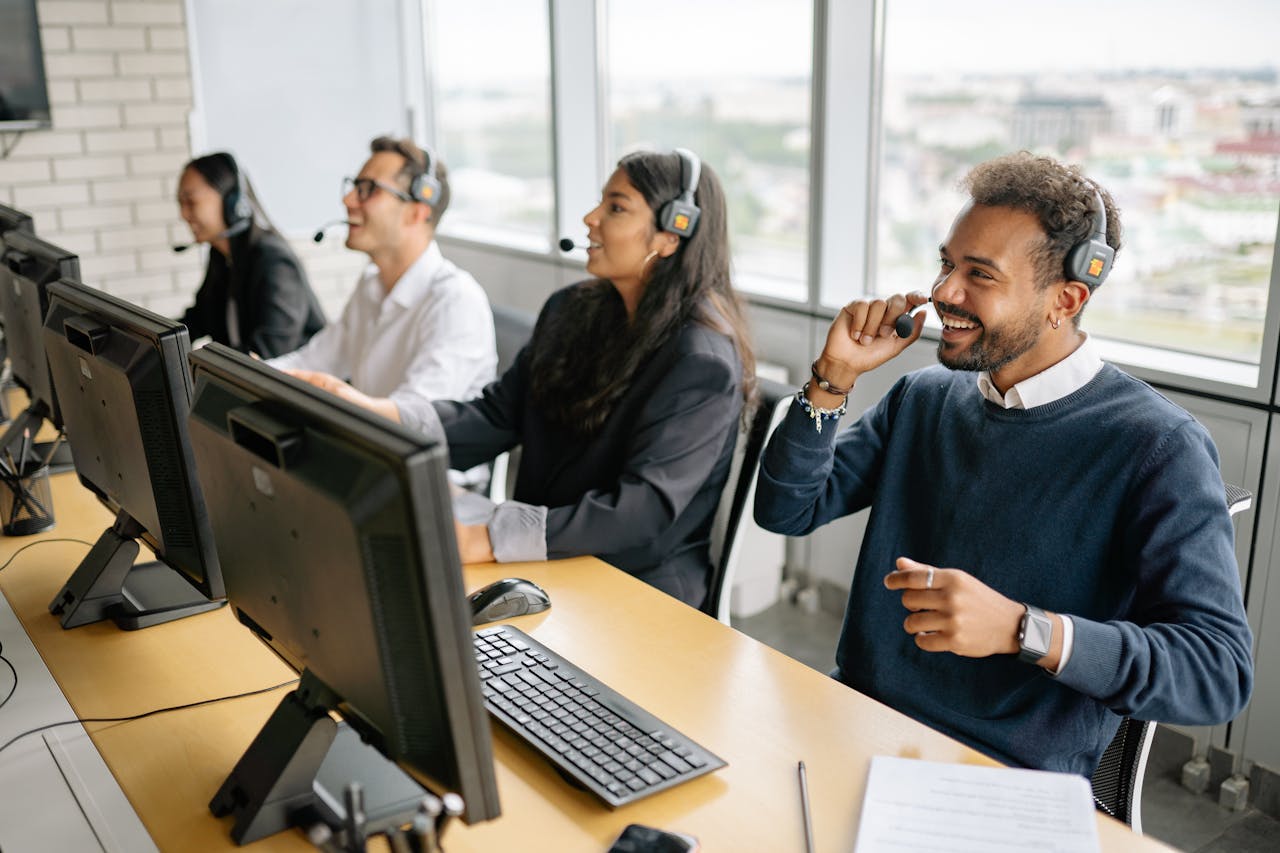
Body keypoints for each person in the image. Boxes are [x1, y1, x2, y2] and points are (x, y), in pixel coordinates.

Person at [753, 151, 1253, 777]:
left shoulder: (1158, 447)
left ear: (1065, 299)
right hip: (855, 723)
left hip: (1001, 776)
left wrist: (1024, 630)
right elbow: (785, 509)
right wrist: (833, 378)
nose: (942, 294)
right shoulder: (925, 397)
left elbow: (1218, 673)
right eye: (946, 264)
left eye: (979, 276)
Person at [295, 149, 754, 608]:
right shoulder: (570, 310)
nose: (590, 217)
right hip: (542, 564)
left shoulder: (701, 361)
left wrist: (489, 540)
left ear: (674, 233)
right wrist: (381, 414)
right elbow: (495, 416)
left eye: (616, 207)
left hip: (635, 587)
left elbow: (641, 511)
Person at [268, 137, 495, 428]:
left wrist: (337, 396)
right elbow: (314, 361)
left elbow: (415, 418)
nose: (348, 200)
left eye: (367, 190)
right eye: (354, 187)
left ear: (418, 211)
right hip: (372, 451)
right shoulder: (371, 285)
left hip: (430, 469)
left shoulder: (456, 300)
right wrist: (244, 373)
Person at [176, 152, 325, 358]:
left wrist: (203, 367)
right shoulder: (222, 256)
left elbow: (270, 351)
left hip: (295, 384)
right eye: (180, 203)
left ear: (232, 203)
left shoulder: (273, 260)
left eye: (190, 201)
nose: (183, 214)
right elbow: (199, 318)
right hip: (250, 382)